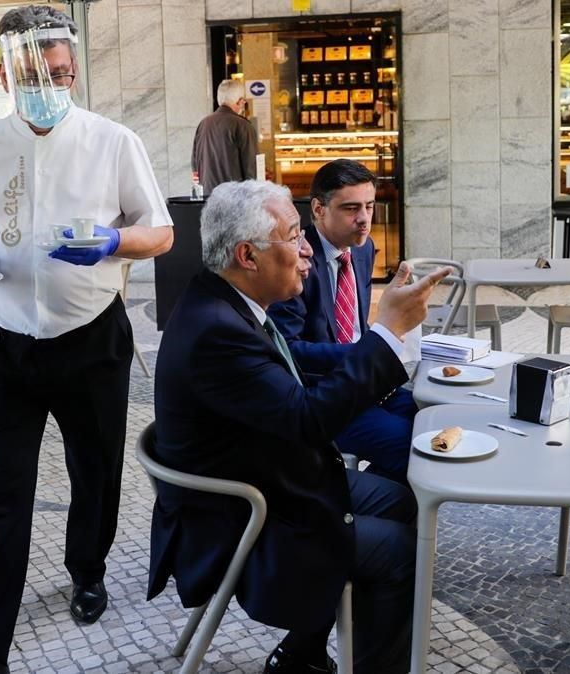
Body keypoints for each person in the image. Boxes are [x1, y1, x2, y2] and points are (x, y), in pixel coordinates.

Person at [0, 6, 174, 672]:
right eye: (38, 75)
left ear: (74, 68)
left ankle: (86, 568)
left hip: (92, 339)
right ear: (6, 74)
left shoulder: (113, 141)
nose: (53, 86)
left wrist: (116, 240)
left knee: (96, 472)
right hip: (3, 346)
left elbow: (162, 231)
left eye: (63, 73)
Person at [149, 179, 449, 673]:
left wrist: (375, 345)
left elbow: (292, 395)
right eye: (293, 235)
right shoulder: (217, 332)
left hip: (270, 477)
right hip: (243, 514)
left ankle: (303, 651)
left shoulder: (226, 302)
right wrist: (386, 335)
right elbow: (307, 420)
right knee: (403, 554)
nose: (307, 248)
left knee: (404, 499)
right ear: (248, 255)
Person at [267, 159, 417, 483]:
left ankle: (382, 508)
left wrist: (378, 347)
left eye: (369, 206)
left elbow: (357, 325)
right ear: (318, 208)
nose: (364, 219)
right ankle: (376, 515)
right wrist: (366, 351)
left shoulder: (364, 249)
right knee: (412, 447)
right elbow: (287, 351)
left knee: (431, 420)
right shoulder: (295, 260)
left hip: (367, 383)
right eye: (351, 209)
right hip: (324, 397)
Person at [192, 79, 259, 191]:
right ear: (240, 101)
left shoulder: (203, 124)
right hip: (233, 198)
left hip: (208, 197)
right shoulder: (243, 126)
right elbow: (251, 169)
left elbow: (195, 164)